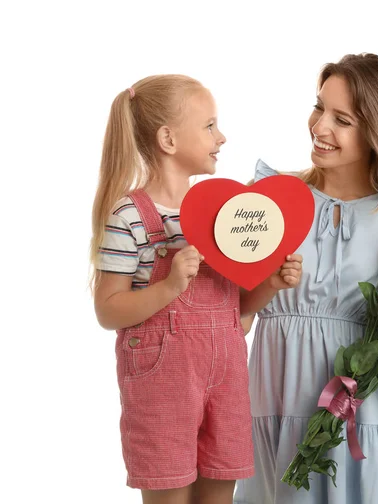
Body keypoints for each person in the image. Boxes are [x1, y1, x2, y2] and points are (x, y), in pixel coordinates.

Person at [234, 54, 378, 503]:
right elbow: (233, 317)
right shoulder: (267, 199)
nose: (319, 127)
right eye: (319, 107)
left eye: (342, 119)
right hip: (276, 409)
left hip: (367, 424)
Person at [90, 74, 303, 504]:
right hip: (162, 382)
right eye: (209, 125)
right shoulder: (130, 215)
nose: (221, 137)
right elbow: (108, 310)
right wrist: (170, 285)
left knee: (220, 493)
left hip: (225, 379)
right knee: (169, 491)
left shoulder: (221, 215)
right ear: (168, 138)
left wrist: (270, 284)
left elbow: (235, 317)